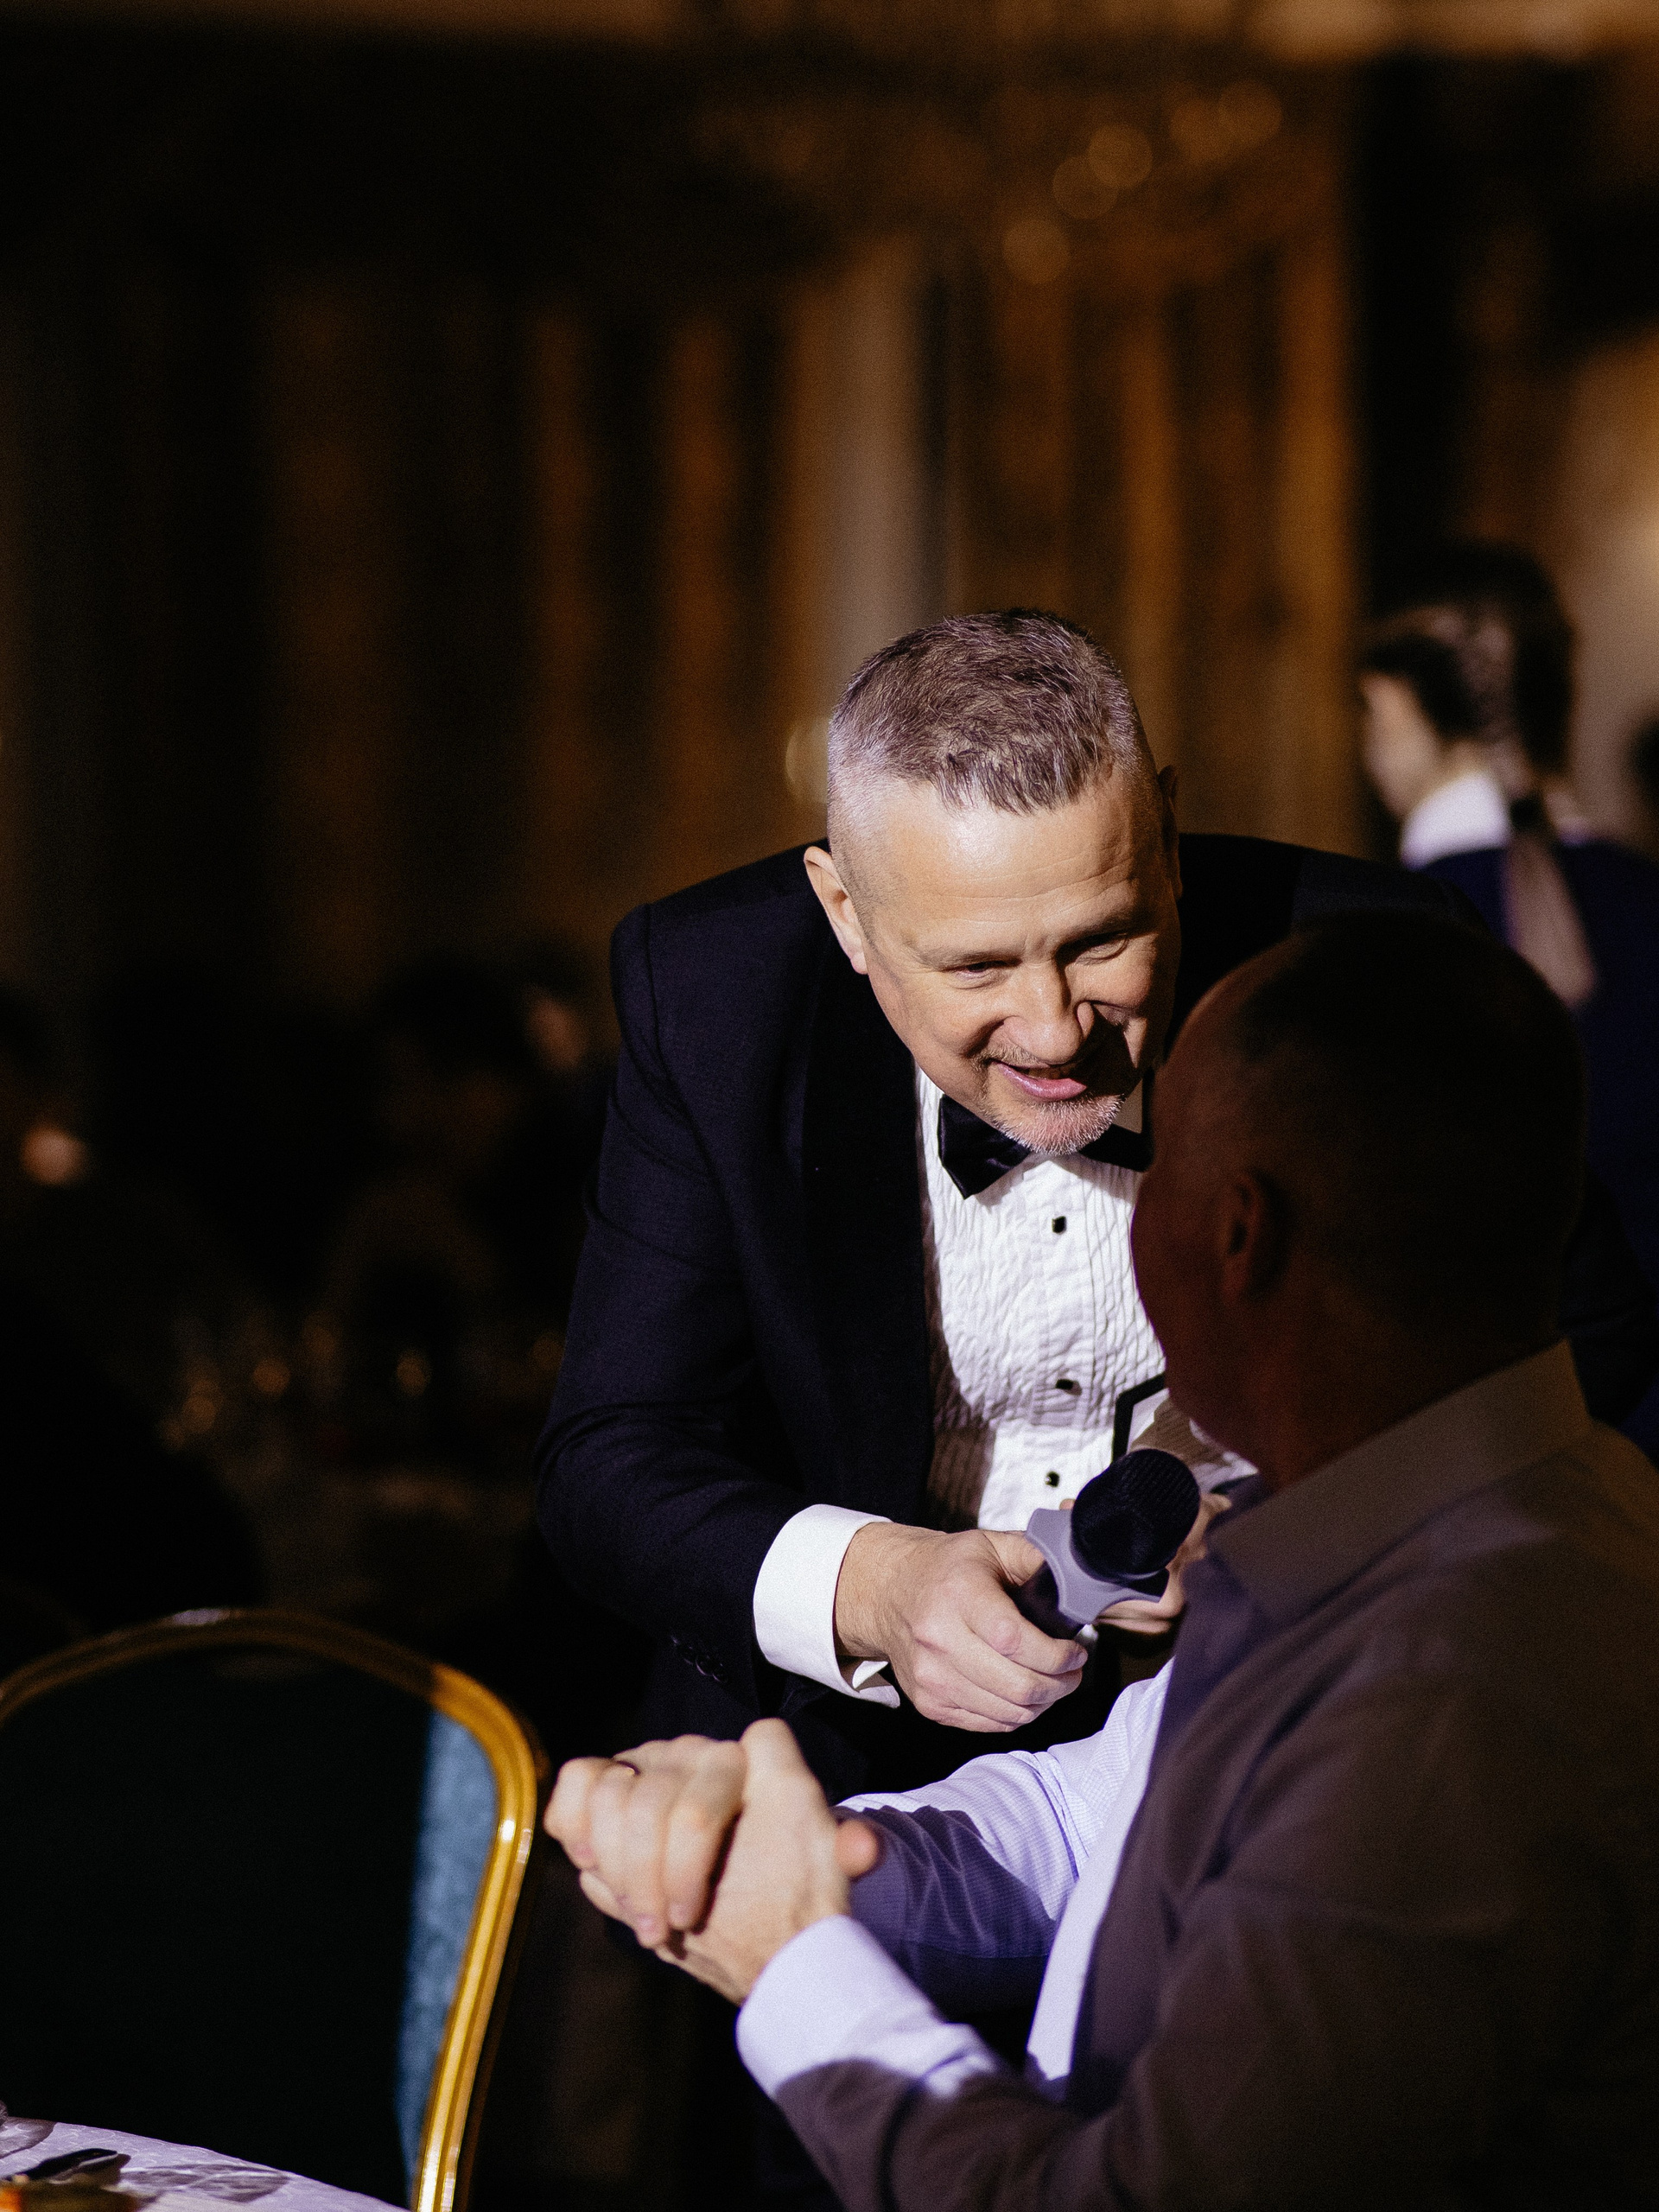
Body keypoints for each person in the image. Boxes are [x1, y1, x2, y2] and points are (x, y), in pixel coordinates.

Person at [549, 912, 1659, 2209]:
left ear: (1237, 1236)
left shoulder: (1459, 1699)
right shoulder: (1420, 1527)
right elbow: (1090, 1821)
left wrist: (793, 1964)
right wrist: (806, 1850)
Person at [539, 610, 1656, 1809]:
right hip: (825, 1771)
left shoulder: (1367, 961)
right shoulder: (715, 998)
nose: (1055, 1030)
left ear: (1166, 838)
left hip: (1260, 1734)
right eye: (976, 967)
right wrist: (872, 1588)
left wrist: (1289, 1516)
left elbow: (1581, 1337)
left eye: (1102, 940)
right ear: (846, 912)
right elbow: (610, 1462)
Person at [1361, 553, 1659, 1458]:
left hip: (1502, 1450)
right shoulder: (1647, 896)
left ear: (1399, 711)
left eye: (1368, 712)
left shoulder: (1383, 932)